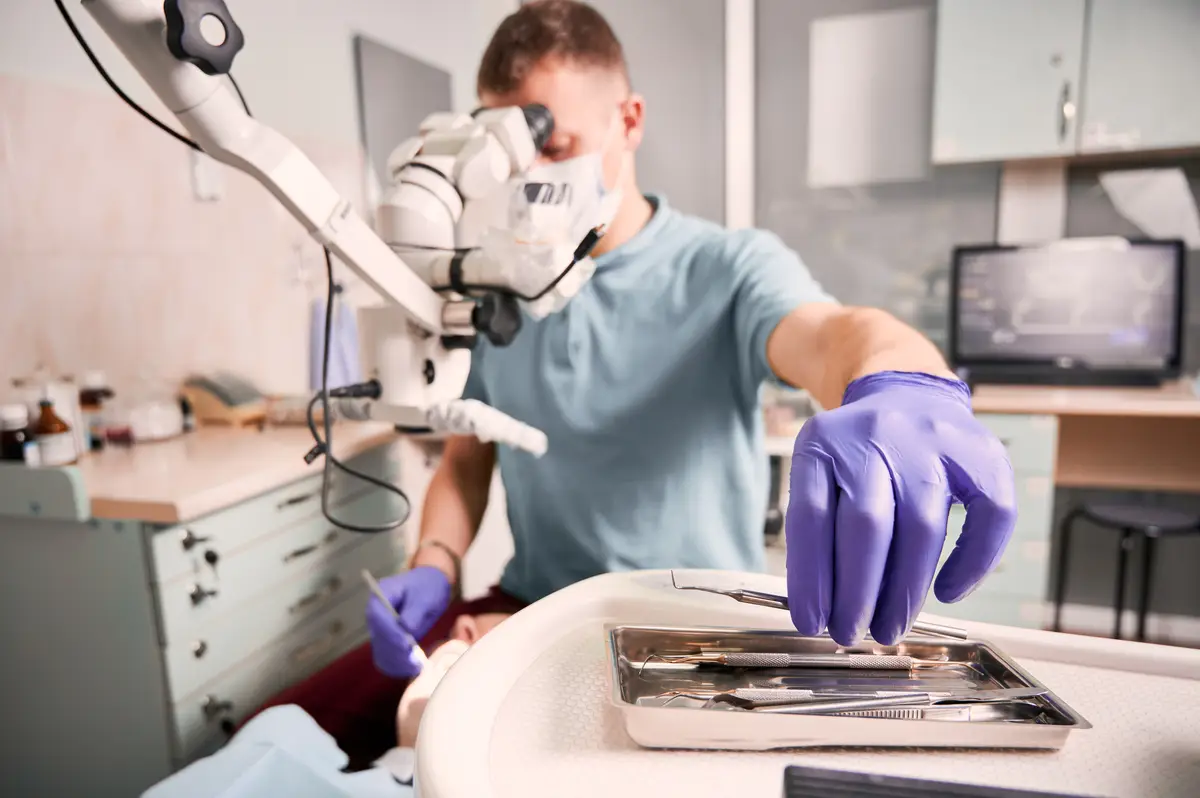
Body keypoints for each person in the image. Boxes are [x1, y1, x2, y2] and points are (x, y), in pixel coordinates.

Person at [256, 0, 1016, 763]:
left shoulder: (725, 268)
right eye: (513, 159)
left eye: (555, 145)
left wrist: (903, 383)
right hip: (533, 609)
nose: (532, 182)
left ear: (629, 120)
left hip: (689, 624)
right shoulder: (493, 291)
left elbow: (831, 333)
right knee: (291, 729)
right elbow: (466, 457)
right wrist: (434, 562)